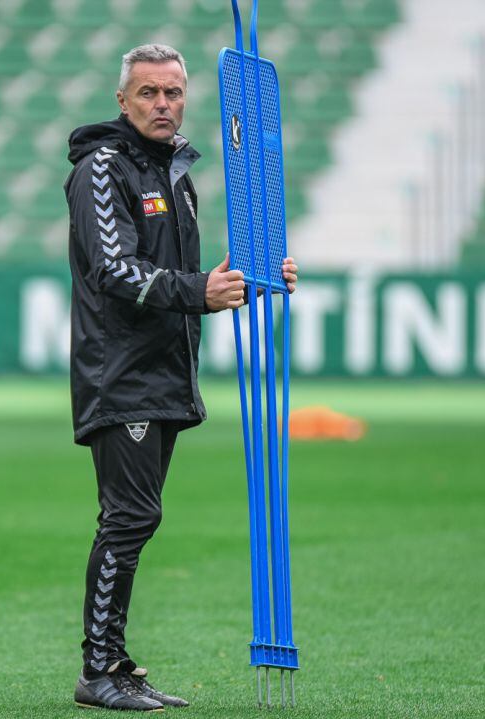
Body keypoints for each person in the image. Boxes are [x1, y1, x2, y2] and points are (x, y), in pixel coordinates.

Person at [63, 44, 299, 711]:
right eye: (148, 93)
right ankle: (100, 667)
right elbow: (116, 270)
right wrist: (201, 289)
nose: (163, 104)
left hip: (163, 371)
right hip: (121, 371)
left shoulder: (175, 173)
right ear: (122, 100)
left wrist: (248, 281)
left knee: (137, 516)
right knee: (130, 515)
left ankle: (111, 663)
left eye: (172, 93)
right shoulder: (103, 168)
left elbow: (185, 282)